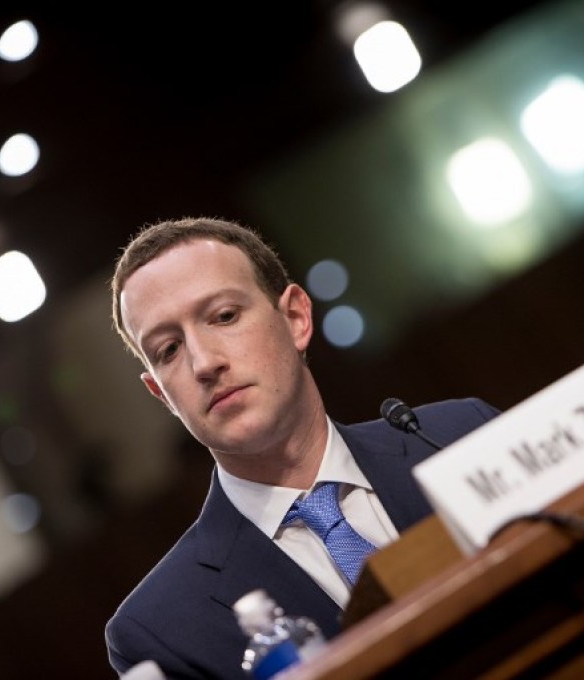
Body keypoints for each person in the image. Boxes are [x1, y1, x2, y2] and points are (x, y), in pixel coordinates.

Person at [104, 216, 499, 679]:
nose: (204, 363)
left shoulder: (460, 435)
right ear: (161, 395)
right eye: (169, 349)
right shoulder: (160, 632)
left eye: (224, 316)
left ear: (296, 318)